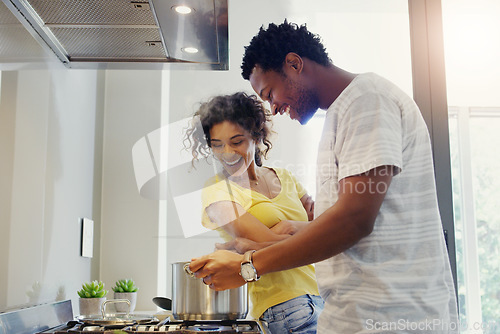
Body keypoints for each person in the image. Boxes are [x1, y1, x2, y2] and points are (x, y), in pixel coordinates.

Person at [189, 21, 459, 333]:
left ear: (294, 64)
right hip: (356, 314)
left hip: (391, 317)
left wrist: (248, 265)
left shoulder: (366, 101)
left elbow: (353, 220)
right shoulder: (341, 115)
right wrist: (302, 228)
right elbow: (347, 219)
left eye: (270, 92)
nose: (273, 108)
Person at [184, 91, 324, 334]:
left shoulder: (286, 177)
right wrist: (311, 236)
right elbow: (316, 240)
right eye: (217, 144)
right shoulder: (217, 192)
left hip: (325, 295)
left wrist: (283, 231)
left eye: (237, 141)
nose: (227, 152)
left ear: (257, 137)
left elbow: (330, 230)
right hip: (285, 307)